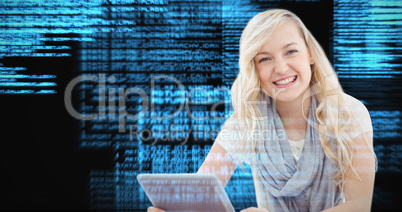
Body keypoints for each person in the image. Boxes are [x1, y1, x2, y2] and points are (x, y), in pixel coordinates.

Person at [148, 8, 376, 212]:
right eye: (265, 59)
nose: (280, 68)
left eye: (291, 52)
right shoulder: (246, 122)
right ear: (253, 70)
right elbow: (199, 195)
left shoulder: (350, 113)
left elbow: (359, 206)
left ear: (310, 54)